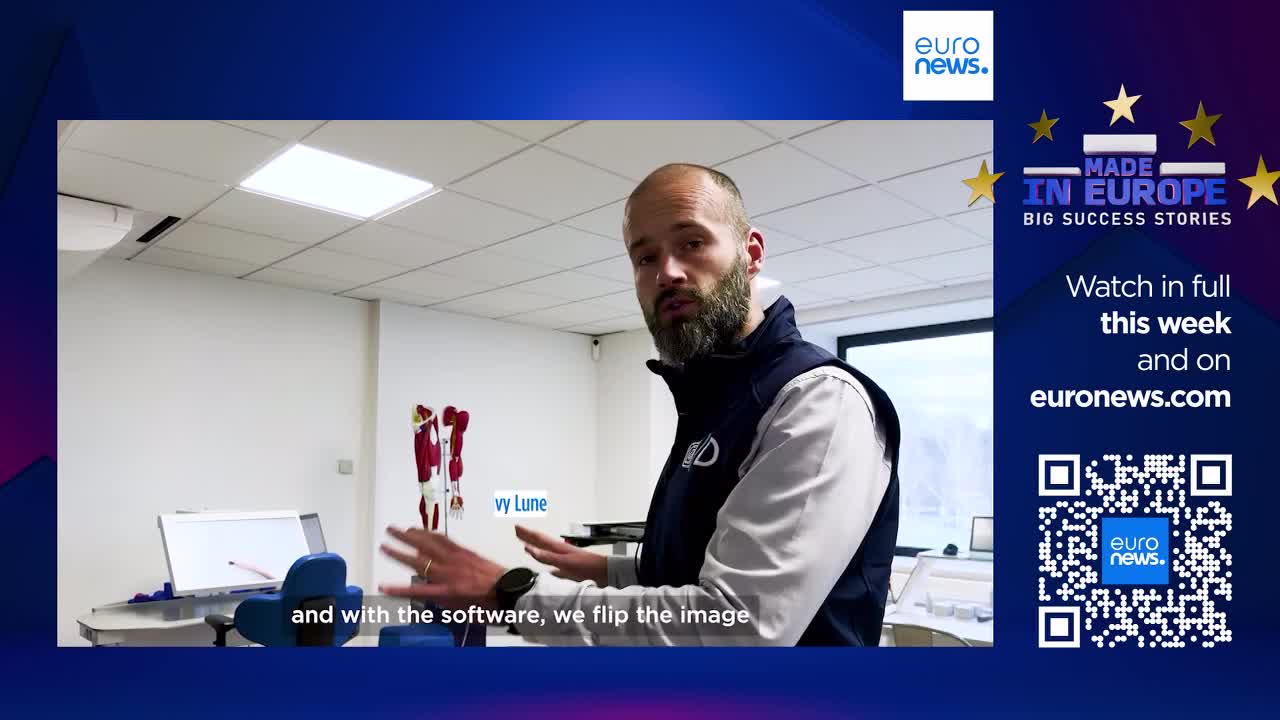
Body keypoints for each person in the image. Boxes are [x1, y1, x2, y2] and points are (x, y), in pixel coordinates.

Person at [380, 163, 901, 646]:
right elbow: (701, 565)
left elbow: (739, 626)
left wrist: (516, 595)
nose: (667, 272)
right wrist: (609, 571)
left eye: (692, 242)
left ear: (752, 252)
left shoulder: (817, 400)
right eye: (645, 257)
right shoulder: (714, 397)